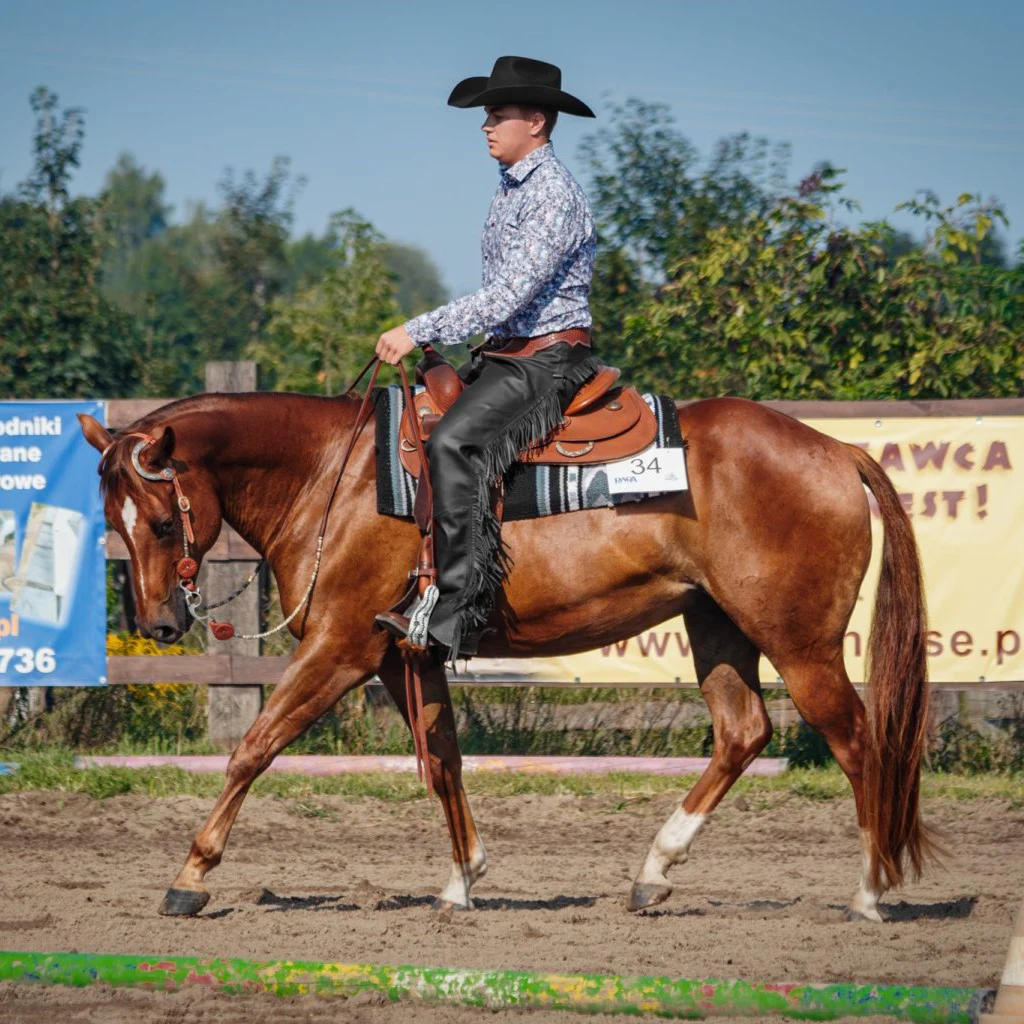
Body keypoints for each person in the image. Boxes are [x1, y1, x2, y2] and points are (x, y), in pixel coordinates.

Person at [374, 55, 600, 662]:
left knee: (454, 444)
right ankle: (419, 582)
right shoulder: (511, 188)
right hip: (510, 356)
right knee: (420, 423)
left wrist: (417, 328)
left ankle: (456, 614)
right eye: (487, 115)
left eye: (498, 115)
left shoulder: (552, 193)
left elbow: (509, 296)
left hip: (546, 361)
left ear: (538, 121)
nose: (486, 125)